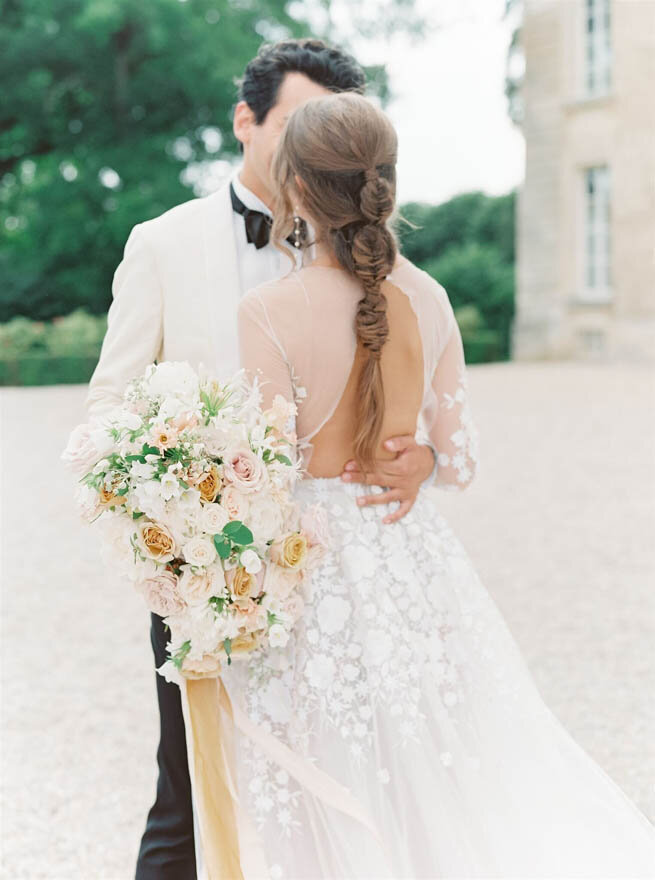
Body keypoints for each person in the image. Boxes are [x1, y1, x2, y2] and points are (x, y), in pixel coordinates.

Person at [211, 91, 655, 878]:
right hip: (407, 559)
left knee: (322, 776)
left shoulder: (267, 310)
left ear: (296, 188)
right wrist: (417, 461)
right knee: (438, 767)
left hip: (309, 571)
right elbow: (462, 458)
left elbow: (260, 473)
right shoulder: (428, 295)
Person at [83, 39, 438, 880]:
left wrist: (418, 458)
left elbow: (415, 399)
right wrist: (177, 519)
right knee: (191, 793)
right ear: (245, 121)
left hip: (350, 580)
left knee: (357, 785)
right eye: (295, 127)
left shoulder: (379, 261)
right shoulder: (163, 244)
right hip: (209, 573)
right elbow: (109, 407)